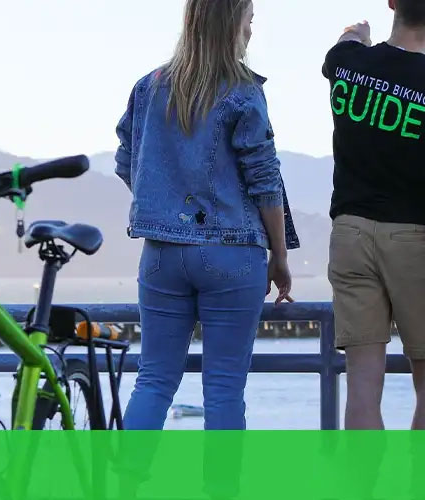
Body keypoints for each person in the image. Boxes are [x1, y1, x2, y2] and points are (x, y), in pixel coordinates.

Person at [115, 0, 298, 430]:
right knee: (224, 388)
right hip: (233, 253)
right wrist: (280, 255)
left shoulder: (148, 86)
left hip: (161, 254)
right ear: (232, 24)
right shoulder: (243, 90)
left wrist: (167, 207)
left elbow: (128, 162)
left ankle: (124, 486)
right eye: (249, 21)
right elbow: (264, 180)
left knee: (154, 380)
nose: (251, 31)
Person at [324, 0, 425, 430]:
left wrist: (358, 32)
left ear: (392, 3)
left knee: (363, 387)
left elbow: (344, 43)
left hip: (349, 234)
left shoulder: (346, 63)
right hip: (415, 241)